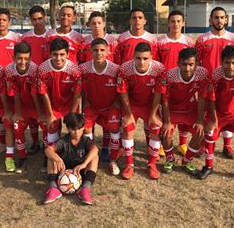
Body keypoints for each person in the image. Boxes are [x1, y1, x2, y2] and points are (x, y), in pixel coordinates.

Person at [195, 45, 234, 184]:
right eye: (227, 62)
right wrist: (213, 119)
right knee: (210, 133)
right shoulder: (216, 75)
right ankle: (208, 166)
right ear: (221, 62)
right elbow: (211, 99)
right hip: (218, 112)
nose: (230, 66)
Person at [195, 6, 234, 159]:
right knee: (209, 114)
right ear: (210, 20)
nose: (219, 20)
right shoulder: (202, 39)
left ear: (226, 19)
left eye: (222, 17)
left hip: (227, 82)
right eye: (216, 17)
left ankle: (227, 146)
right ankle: (205, 146)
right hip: (208, 84)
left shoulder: (233, 39)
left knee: (227, 111)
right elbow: (197, 63)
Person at [117, 42, 166, 180]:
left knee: (155, 129)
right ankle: (129, 164)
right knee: (128, 128)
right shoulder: (125, 68)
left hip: (151, 105)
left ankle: (151, 164)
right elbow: (123, 92)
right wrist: (128, 114)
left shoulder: (159, 68)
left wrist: (153, 115)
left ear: (151, 57)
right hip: (132, 104)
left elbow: (158, 93)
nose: (141, 62)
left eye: (145, 58)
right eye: (138, 58)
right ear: (133, 57)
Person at [160, 48, 208, 174]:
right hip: (173, 110)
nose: (187, 68)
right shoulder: (170, 75)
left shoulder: (203, 74)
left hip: (190, 109)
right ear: (178, 63)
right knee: (165, 131)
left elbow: (202, 97)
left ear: (197, 64)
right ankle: (170, 158)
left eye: (191, 64)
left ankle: (187, 160)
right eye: (184, 64)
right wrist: (167, 121)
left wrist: (199, 120)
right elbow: (164, 100)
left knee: (200, 132)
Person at [79, 38, 121, 175]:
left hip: (110, 106)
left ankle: (112, 159)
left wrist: (115, 107)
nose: (99, 53)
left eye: (102, 50)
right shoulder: (83, 69)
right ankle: (91, 157)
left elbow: (121, 91)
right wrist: (85, 103)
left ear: (108, 51)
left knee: (114, 129)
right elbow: (81, 89)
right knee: (86, 129)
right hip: (91, 106)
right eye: (96, 50)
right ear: (91, 51)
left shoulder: (115, 69)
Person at [156, 9, 195, 156]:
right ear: (168, 24)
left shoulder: (189, 42)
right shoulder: (160, 41)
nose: (176, 24)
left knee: (184, 112)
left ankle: (183, 144)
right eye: (173, 21)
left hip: (184, 83)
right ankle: (162, 144)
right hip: (166, 84)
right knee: (164, 114)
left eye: (179, 21)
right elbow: (156, 62)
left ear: (183, 23)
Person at [0, 8, 21, 155]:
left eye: (4, 20)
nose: (1, 22)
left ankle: (16, 143)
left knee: (13, 113)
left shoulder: (17, 38)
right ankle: (3, 144)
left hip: (12, 81)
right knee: (2, 115)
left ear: (9, 22)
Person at [44, 113, 99, 205]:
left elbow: (95, 149)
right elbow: (48, 150)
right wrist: (58, 159)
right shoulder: (64, 141)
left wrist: (84, 164)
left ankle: (85, 188)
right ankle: (54, 188)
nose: (76, 132)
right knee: (51, 157)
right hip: (63, 170)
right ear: (68, 129)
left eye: (79, 129)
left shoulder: (85, 140)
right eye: (73, 129)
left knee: (95, 157)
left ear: (83, 128)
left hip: (79, 171)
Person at [5, 42, 43, 173]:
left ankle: (45, 155)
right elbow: (14, 93)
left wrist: (40, 114)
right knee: (17, 126)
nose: (22, 62)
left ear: (30, 58)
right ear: (14, 57)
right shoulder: (9, 70)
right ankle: (22, 157)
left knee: (45, 125)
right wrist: (18, 112)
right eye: (19, 58)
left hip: (37, 105)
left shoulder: (35, 69)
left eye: (26, 58)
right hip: (21, 106)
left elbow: (36, 94)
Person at [38, 38, 81, 147]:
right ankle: (53, 153)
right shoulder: (43, 69)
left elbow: (77, 94)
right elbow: (44, 93)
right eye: (55, 54)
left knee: (74, 129)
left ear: (67, 54)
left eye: (62, 54)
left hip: (70, 105)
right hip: (53, 105)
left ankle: (73, 152)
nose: (58, 58)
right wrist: (50, 114)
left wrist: (72, 114)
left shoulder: (74, 70)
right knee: (52, 128)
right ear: (50, 54)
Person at [20, 5, 49, 153]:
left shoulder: (51, 36)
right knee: (32, 113)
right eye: (34, 19)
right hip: (29, 80)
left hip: (46, 81)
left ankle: (48, 142)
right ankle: (35, 142)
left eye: (40, 19)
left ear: (45, 18)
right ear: (30, 21)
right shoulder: (25, 38)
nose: (37, 22)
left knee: (45, 112)